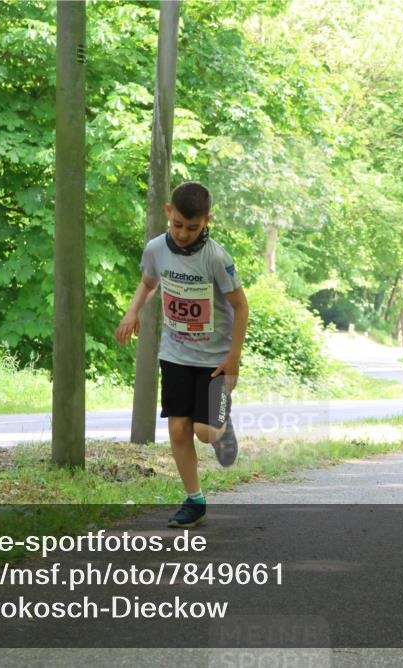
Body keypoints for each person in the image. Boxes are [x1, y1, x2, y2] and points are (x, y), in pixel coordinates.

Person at [115, 182, 249, 527]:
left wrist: (234, 357)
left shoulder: (216, 258)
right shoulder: (156, 249)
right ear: (168, 212)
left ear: (207, 221)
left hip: (214, 358)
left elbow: (241, 306)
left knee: (205, 432)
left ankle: (221, 426)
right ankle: (195, 500)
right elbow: (148, 283)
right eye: (177, 225)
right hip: (175, 353)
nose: (184, 234)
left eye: (193, 227)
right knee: (178, 429)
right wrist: (132, 312)